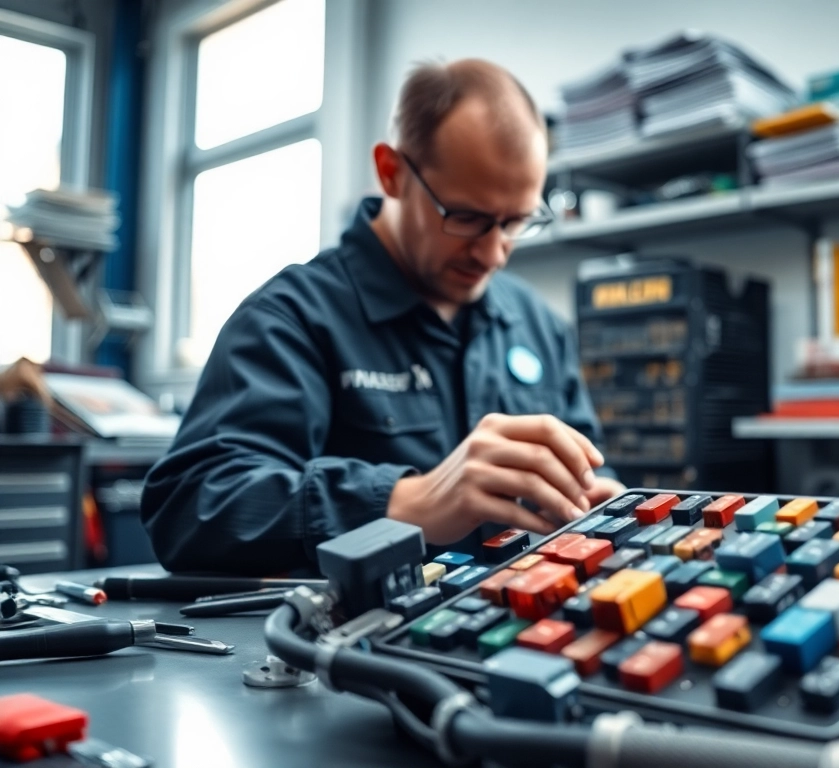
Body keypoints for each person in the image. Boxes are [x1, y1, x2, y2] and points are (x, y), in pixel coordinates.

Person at [142, 59, 624, 575]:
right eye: (466, 218)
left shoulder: (538, 325)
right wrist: (403, 503)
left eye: (516, 222)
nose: (494, 254)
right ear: (392, 173)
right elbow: (191, 506)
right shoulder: (292, 319)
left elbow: (585, 467)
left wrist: (598, 500)